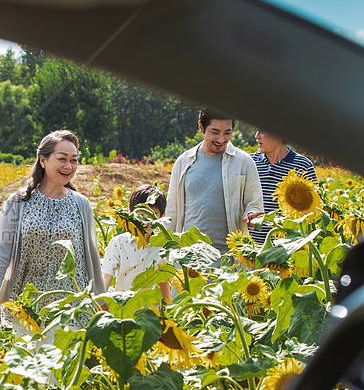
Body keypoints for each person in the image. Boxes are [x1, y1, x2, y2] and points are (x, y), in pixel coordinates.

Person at [0, 129, 104, 328]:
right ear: (43, 160)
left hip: (70, 308)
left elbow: (92, 258)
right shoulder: (18, 202)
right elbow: (0, 252)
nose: (69, 166)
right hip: (25, 307)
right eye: (62, 158)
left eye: (74, 160)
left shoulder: (81, 204)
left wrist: (101, 300)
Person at [167, 107, 263, 253]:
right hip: (192, 258)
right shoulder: (184, 162)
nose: (221, 139)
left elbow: (254, 202)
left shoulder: (244, 161)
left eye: (227, 133)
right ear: (201, 127)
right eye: (215, 132)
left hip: (231, 258)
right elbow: (172, 213)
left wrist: (252, 215)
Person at [102, 185, 173, 302]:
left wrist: (169, 310)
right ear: (130, 213)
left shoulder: (163, 248)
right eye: (141, 215)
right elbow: (107, 275)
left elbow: (163, 282)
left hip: (151, 313)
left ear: (162, 218)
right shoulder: (118, 243)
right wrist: (99, 302)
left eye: (153, 214)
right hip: (123, 308)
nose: (146, 221)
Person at [250, 128, 318, 245]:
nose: (257, 136)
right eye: (257, 131)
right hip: (249, 247)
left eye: (262, 131)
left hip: (286, 248)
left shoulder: (302, 165)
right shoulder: (250, 161)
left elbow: (313, 208)